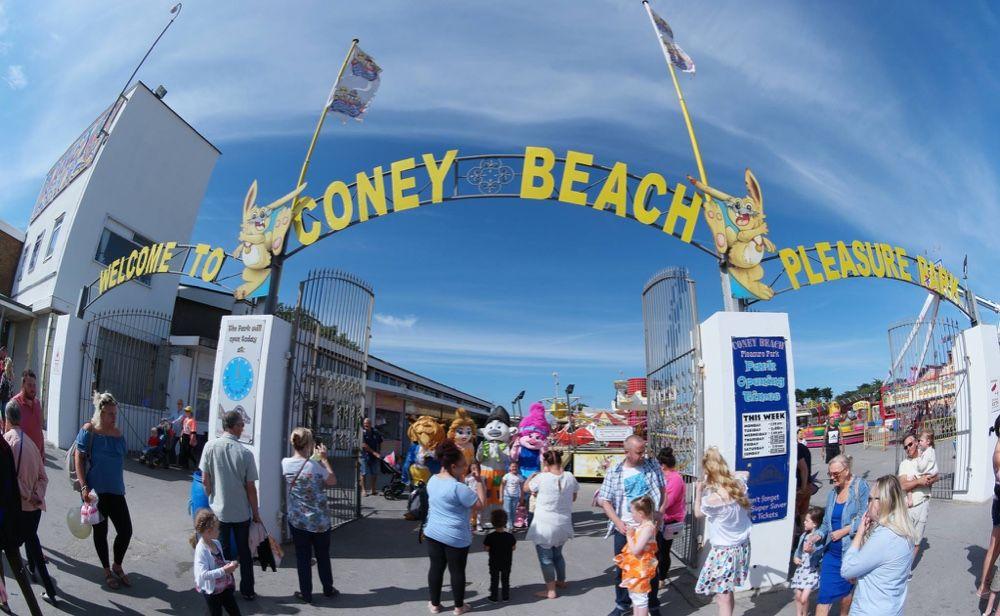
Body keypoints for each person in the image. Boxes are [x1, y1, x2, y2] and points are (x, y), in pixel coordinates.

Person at [597, 435, 665, 616]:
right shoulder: (615, 471)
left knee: (650, 568)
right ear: (626, 452)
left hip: (648, 529)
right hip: (625, 529)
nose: (643, 455)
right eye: (639, 452)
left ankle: (652, 605)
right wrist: (618, 523)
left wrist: (659, 513)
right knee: (623, 569)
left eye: (644, 451)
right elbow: (604, 500)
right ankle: (622, 604)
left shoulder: (652, 466)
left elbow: (663, 490)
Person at [74, 391, 133, 590]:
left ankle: (117, 564)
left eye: (115, 413)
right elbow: (79, 457)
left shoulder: (117, 434)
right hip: (95, 493)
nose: (114, 417)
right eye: (110, 413)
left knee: (126, 530)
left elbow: (122, 456)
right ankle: (107, 570)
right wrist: (83, 486)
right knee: (101, 532)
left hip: (116, 490)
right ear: (100, 412)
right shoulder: (89, 430)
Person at [199, 410, 261, 601]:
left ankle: (225, 588)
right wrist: (256, 513)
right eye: (241, 424)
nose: (243, 428)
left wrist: (211, 498)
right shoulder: (245, 453)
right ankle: (248, 590)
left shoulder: (210, 447)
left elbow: (205, 480)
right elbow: (251, 488)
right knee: (244, 551)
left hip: (219, 511)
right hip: (241, 512)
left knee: (222, 552)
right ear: (233, 426)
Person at [424, 439, 485, 615]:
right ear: (452, 466)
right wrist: (479, 481)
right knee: (457, 571)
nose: (465, 468)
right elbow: (480, 504)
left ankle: (434, 604)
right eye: (462, 465)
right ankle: (459, 607)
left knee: (436, 568)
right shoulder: (458, 488)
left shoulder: (432, 480)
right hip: (455, 536)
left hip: (433, 532)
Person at [840, 475, 915, 616]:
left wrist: (860, 533)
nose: (868, 504)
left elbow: (847, 569)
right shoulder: (905, 530)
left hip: (870, 610)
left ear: (883, 501)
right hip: (892, 609)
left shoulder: (884, 536)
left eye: (870, 499)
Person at [4, 400, 56, 603]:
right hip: (33, 510)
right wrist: (37, 495)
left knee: (15, 552)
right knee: (32, 544)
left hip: (19, 511)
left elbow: (10, 481)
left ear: (7, 419)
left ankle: (7, 598)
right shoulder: (31, 444)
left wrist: (27, 494)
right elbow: (44, 477)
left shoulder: (8, 442)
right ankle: (47, 588)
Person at [807, 454, 870, 616]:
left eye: (836, 474)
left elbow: (866, 518)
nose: (832, 478)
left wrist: (844, 531)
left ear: (847, 470)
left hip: (850, 551)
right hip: (831, 554)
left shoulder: (860, 487)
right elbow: (826, 524)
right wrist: (817, 536)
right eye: (830, 474)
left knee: (846, 594)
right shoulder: (833, 494)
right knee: (824, 597)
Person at [282, 427, 338, 603]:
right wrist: (324, 459)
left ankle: (306, 594)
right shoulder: (316, 466)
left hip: (298, 520)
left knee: (303, 558)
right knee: (323, 556)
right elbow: (332, 480)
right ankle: (328, 589)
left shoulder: (285, 463)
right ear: (309, 443)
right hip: (320, 521)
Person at [693, 448, 752, 616]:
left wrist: (698, 492)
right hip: (741, 547)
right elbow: (745, 472)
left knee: (722, 597)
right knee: (728, 590)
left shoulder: (713, 500)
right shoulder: (739, 485)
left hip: (724, 552)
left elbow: (697, 514)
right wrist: (723, 474)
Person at [525, 449, 579, 599]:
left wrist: (531, 476)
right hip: (564, 523)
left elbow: (525, 488)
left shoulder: (541, 478)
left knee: (546, 558)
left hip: (545, 525)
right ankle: (561, 581)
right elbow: (573, 497)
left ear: (545, 463)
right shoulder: (570, 476)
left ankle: (550, 590)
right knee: (558, 554)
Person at [0, 429, 42, 616]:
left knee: (19, 573)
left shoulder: (4, 446)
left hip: (5, 523)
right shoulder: (4, 445)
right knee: (21, 576)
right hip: (8, 523)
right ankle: (6, 602)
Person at [897, 432, 938, 571]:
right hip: (908, 507)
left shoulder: (926, 457)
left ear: (916, 443)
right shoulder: (904, 464)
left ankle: (906, 570)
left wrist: (927, 480)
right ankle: (899, 568)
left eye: (910, 444)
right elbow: (903, 485)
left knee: (916, 541)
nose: (908, 448)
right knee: (903, 540)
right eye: (905, 447)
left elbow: (935, 476)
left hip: (923, 503)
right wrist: (920, 481)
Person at [191, 508, 242, 616]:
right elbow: (203, 575)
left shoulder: (216, 543)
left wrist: (229, 563)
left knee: (235, 612)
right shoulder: (202, 550)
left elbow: (219, 562)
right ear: (209, 532)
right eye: (217, 529)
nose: (219, 531)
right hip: (212, 592)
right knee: (216, 613)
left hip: (224, 587)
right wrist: (224, 570)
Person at [613, 495, 658, 616]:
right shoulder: (643, 526)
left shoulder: (648, 528)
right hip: (637, 567)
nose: (631, 515)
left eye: (632, 512)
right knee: (635, 596)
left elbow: (637, 550)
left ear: (641, 513)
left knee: (640, 598)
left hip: (641, 568)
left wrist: (629, 536)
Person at [656, 446, 686, 580]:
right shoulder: (661, 477)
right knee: (655, 550)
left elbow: (669, 501)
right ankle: (655, 575)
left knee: (663, 552)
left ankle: (661, 577)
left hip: (669, 520)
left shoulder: (675, 479)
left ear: (662, 465)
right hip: (657, 518)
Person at [790, 506, 825, 616]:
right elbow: (798, 550)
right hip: (802, 569)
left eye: (807, 521)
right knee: (798, 595)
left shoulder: (818, 538)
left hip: (812, 571)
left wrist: (812, 550)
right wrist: (795, 557)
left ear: (814, 524)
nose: (804, 523)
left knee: (804, 598)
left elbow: (819, 552)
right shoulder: (804, 535)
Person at [981, 416, 1000, 597]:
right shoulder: (999, 453)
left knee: (995, 545)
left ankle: (984, 585)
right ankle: (984, 585)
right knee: (994, 546)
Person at [483, 508, 516, 602]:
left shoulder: (490, 537)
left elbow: (486, 548)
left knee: (494, 579)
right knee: (505, 579)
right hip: (507, 561)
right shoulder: (510, 536)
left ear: (492, 522)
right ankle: (505, 596)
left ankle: (494, 597)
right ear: (505, 522)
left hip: (494, 561)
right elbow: (513, 548)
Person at [11, 370, 43, 455]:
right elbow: (9, 434)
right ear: (22, 386)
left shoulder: (37, 403)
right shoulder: (14, 404)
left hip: (36, 456)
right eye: (29, 385)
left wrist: (42, 451)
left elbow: (39, 430)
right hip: (21, 458)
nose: (33, 388)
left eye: (34, 385)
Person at [360, 417, 383, 496]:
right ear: (363, 424)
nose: (366, 425)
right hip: (364, 455)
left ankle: (373, 489)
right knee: (364, 473)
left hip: (374, 456)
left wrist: (379, 452)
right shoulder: (362, 433)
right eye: (365, 423)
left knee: (374, 473)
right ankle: (363, 490)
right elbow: (364, 445)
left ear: (370, 424)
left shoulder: (375, 432)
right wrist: (375, 453)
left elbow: (380, 442)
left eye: (368, 423)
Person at [796, 429, 813, 526]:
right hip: (807, 485)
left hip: (801, 486)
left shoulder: (796, 449)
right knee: (803, 514)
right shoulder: (804, 447)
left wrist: (802, 488)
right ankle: (803, 534)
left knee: (795, 514)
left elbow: (804, 469)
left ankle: (799, 536)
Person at [500, 461, 523, 531]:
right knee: (507, 511)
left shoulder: (520, 477)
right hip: (507, 496)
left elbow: (522, 488)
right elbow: (502, 486)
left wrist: (521, 497)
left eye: (515, 467)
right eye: (512, 466)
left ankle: (511, 525)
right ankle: (509, 526)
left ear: (518, 468)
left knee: (513, 512)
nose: (514, 468)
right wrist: (501, 496)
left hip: (515, 497)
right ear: (510, 468)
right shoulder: (506, 476)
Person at [178, 406, 198, 471]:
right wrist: (181, 436)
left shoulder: (193, 420)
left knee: (189, 452)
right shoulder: (185, 419)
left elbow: (193, 431)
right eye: (185, 411)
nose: (186, 412)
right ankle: (185, 465)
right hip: (184, 436)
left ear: (190, 412)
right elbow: (183, 428)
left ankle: (195, 463)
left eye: (187, 411)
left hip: (189, 436)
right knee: (183, 451)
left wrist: (192, 439)